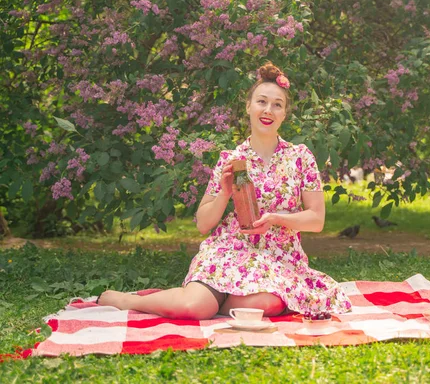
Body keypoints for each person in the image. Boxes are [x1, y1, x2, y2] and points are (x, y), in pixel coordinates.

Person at [98, 62, 352, 319]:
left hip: (277, 256)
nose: (268, 110)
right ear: (248, 107)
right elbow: (203, 224)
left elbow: (316, 220)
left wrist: (276, 219)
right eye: (261, 102)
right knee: (193, 308)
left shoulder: (300, 157)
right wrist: (224, 193)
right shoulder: (231, 159)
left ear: (285, 114)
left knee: (268, 304)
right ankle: (129, 300)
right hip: (229, 251)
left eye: (277, 105)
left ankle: (216, 302)